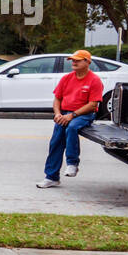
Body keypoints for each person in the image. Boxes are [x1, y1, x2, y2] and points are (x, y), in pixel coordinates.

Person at [37, 50, 102, 188]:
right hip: (65, 113)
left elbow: (93, 104)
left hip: (84, 114)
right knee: (55, 142)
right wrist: (57, 114)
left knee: (72, 127)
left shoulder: (94, 80)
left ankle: (72, 163)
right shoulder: (66, 78)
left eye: (78, 60)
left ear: (87, 62)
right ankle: (51, 177)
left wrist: (72, 115)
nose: (74, 62)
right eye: (73, 60)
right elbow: (57, 99)